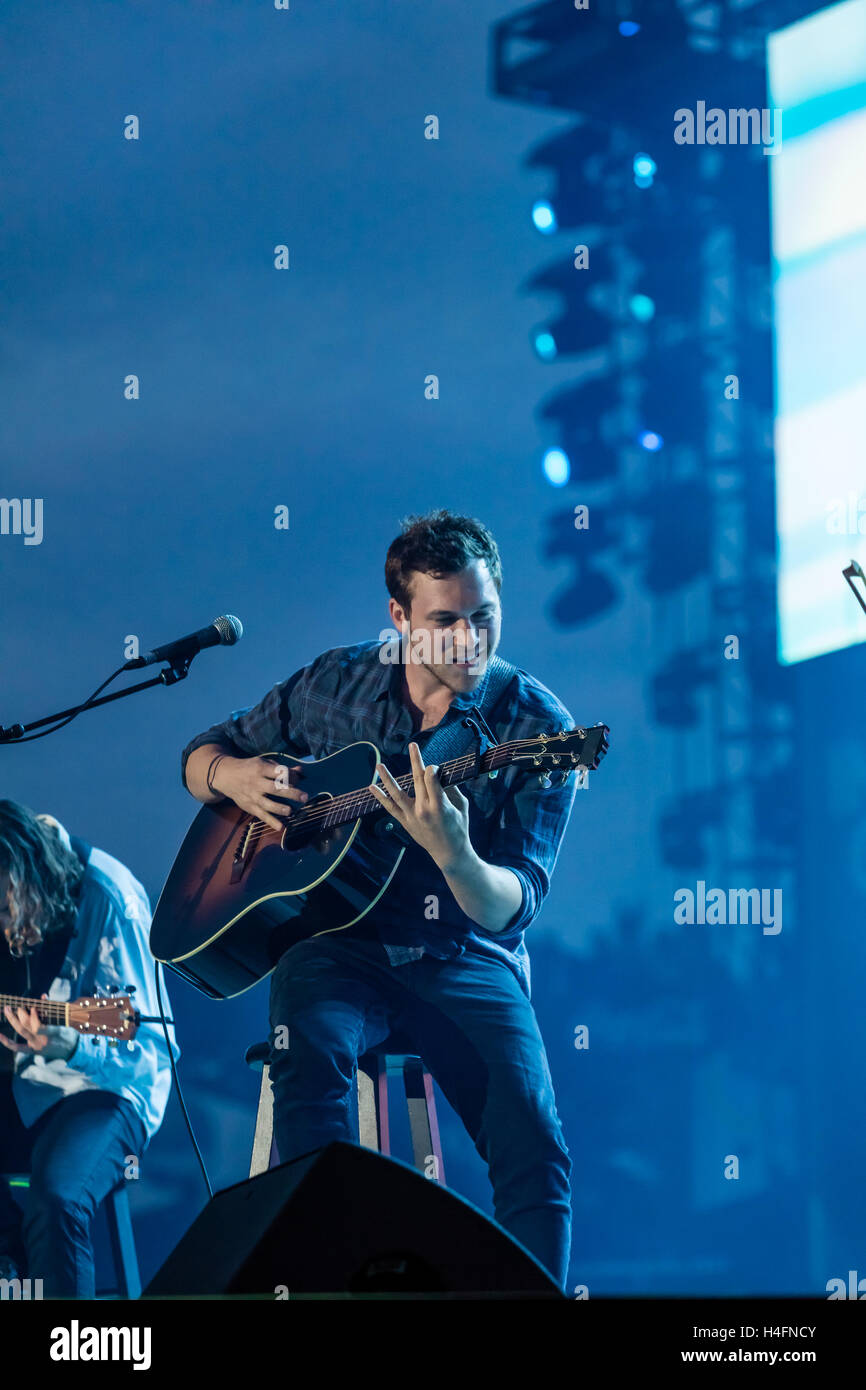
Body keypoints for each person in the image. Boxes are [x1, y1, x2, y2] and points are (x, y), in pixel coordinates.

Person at [181, 509, 578, 1289]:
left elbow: (512, 904)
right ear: (398, 617)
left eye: (484, 616)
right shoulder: (338, 682)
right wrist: (227, 777)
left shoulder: (540, 727)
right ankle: (333, 1287)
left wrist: (455, 854)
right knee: (312, 1072)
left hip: (465, 954)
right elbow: (204, 752)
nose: (468, 640)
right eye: (444, 621)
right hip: (338, 948)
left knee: (533, 1138)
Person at [0, 803, 179, 1298]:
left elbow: (150, 1045)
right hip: (21, 1078)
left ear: (33, 879)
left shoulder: (110, 898)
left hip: (107, 1089)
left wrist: (74, 1045)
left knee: (56, 1201)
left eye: (5, 908)